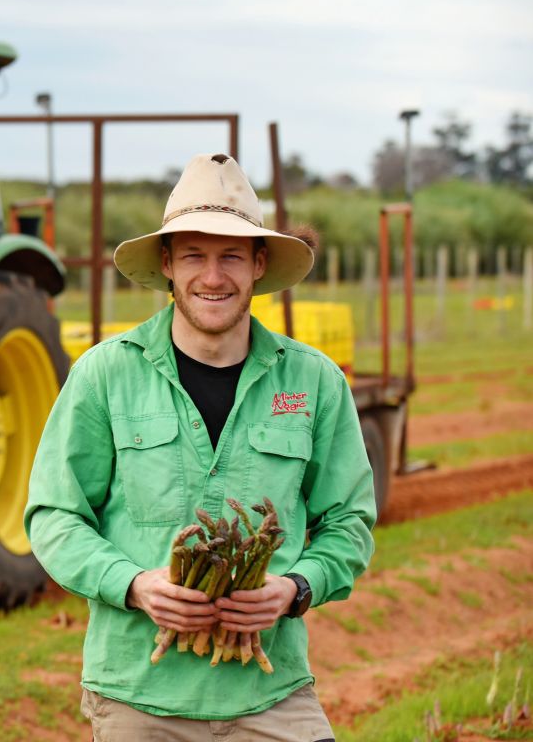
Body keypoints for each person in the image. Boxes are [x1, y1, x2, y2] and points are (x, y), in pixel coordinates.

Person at [24, 153, 376, 741]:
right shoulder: (104, 375)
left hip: (270, 691)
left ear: (259, 265)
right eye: (194, 255)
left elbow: (350, 520)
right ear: (167, 263)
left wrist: (295, 589)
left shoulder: (314, 381)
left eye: (232, 256)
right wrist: (135, 586)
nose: (213, 277)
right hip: (140, 693)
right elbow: (54, 516)